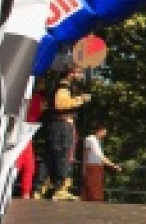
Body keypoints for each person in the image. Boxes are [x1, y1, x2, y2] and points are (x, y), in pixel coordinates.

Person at [42, 67, 90, 200]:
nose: (81, 75)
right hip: (62, 125)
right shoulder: (64, 87)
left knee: (52, 155)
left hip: (57, 124)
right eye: (79, 72)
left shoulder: (61, 85)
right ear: (71, 73)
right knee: (63, 154)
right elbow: (61, 104)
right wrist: (80, 100)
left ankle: (44, 186)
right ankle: (59, 187)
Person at [80, 124, 122, 202]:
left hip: (97, 167)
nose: (104, 135)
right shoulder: (91, 139)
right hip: (92, 166)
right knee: (92, 190)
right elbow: (99, 156)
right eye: (103, 132)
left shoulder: (96, 141)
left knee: (96, 189)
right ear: (99, 131)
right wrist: (114, 166)